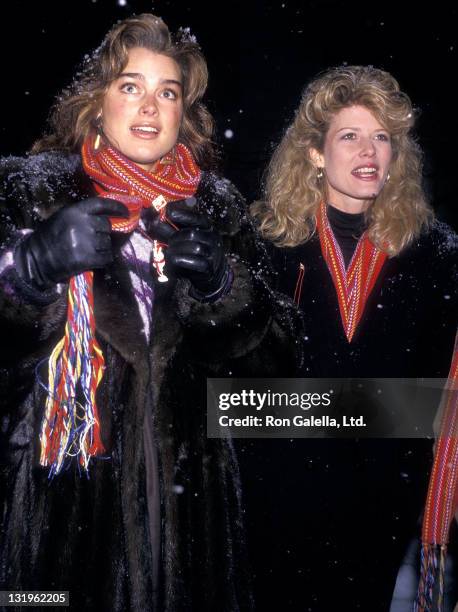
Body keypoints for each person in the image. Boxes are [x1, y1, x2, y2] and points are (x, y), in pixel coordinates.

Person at [0, 14, 295, 612]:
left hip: (195, 533)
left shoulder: (220, 212)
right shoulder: (30, 195)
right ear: (97, 101)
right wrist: (28, 269)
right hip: (61, 523)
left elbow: (274, 377)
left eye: (168, 92)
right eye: (130, 86)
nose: (150, 108)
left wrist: (222, 289)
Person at [250, 66, 457, 610]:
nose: (369, 151)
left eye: (382, 137)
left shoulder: (434, 253)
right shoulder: (264, 242)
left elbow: (431, 401)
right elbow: (230, 401)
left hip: (380, 505)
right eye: (350, 135)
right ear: (315, 153)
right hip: (274, 503)